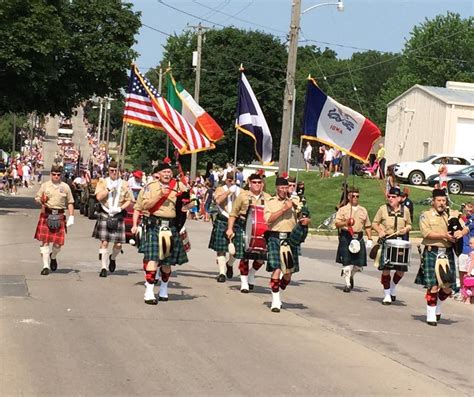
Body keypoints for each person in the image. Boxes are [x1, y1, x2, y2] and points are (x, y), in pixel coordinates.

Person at [132, 161, 189, 305]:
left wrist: (188, 200)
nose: (167, 174)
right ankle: (149, 292)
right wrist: (159, 196)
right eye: (164, 172)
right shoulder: (150, 187)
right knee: (153, 258)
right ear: (158, 174)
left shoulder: (177, 185)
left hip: (171, 226)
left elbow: (191, 202)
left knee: (167, 262)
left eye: (169, 172)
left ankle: (164, 289)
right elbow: (143, 206)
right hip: (154, 224)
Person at [415, 189, 468, 326]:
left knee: (448, 287)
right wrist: (444, 235)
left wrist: (459, 233)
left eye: (444, 200)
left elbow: (464, 227)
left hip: (448, 251)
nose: (441, 203)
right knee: (433, 285)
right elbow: (426, 233)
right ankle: (431, 314)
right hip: (432, 251)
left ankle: (437, 303)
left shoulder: (451, 215)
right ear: (433, 201)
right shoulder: (425, 215)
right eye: (439, 200)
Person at [264, 177, 311, 312]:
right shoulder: (270, 202)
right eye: (282, 188)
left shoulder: (295, 202)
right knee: (277, 269)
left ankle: (279, 286)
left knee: (288, 273)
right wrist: (284, 209)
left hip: (290, 239)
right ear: (277, 188)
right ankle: (275, 301)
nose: (284, 190)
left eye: (287, 188)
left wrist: (304, 218)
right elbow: (268, 220)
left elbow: (303, 216)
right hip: (275, 237)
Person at [226, 173, 271, 292]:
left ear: (262, 184)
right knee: (244, 256)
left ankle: (252, 273)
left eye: (259, 182)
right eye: (254, 182)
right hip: (243, 226)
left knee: (261, 257)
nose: (257, 185)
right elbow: (233, 213)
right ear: (249, 183)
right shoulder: (242, 196)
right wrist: (230, 228)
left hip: (261, 229)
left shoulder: (268, 197)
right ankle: (244, 282)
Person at [371, 187, 412, 304]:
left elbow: (409, 224)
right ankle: (387, 294)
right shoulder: (383, 209)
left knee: (401, 270)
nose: (390, 199)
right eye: (389, 196)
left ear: (399, 198)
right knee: (386, 269)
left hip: (400, 241)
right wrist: (380, 231)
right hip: (387, 240)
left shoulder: (406, 210)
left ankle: (393, 285)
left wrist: (406, 229)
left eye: (393, 197)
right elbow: (374, 223)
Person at [92, 161, 133, 277]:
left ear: (119, 171)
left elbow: (129, 200)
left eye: (116, 171)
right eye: (111, 171)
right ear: (108, 171)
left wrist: (120, 209)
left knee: (118, 245)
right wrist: (108, 189)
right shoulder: (102, 182)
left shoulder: (125, 184)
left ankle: (113, 258)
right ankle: (103, 268)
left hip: (118, 214)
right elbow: (98, 197)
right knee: (104, 242)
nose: (114, 173)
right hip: (105, 213)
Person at [34, 164, 75, 275]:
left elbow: (70, 202)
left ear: (60, 175)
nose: (56, 176)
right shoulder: (45, 186)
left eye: (58, 174)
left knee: (58, 244)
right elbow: (37, 198)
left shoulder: (65, 187)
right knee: (45, 242)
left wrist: (71, 216)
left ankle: (53, 256)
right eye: (54, 174)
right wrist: (40, 200)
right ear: (51, 174)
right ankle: (45, 266)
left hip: (60, 215)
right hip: (47, 215)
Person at [335, 187, 372, 292]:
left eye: (357, 196)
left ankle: (351, 275)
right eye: (353, 196)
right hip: (346, 236)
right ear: (348, 197)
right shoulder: (342, 210)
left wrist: (370, 238)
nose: (355, 198)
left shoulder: (363, 210)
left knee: (359, 265)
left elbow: (368, 225)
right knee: (346, 263)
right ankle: (347, 284)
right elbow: (337, 224)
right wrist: (345, 223)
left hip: (358, 237)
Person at [208, 171, 240, 282]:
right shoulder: (220, 189)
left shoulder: (240, 190)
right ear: (226, 180)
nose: (232, 182)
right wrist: (228, 192)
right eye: (229, 180)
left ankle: (230, 263)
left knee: (236, 249)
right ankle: (222, 273)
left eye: (234, 180)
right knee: (221, 249)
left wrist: (238, 193)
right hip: (223, 219)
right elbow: (217, 200)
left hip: (236, 220)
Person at [458, 202, 474, 298]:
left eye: (470, 210)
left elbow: (466, 229)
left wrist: (462, 225)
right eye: (466, 210)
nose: (468, 212)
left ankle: (465, 293)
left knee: (466, 273)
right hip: (463, 247)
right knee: (462, 271)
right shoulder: (468, 219)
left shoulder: (472, 220)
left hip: (468, 249)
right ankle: (463, 291)